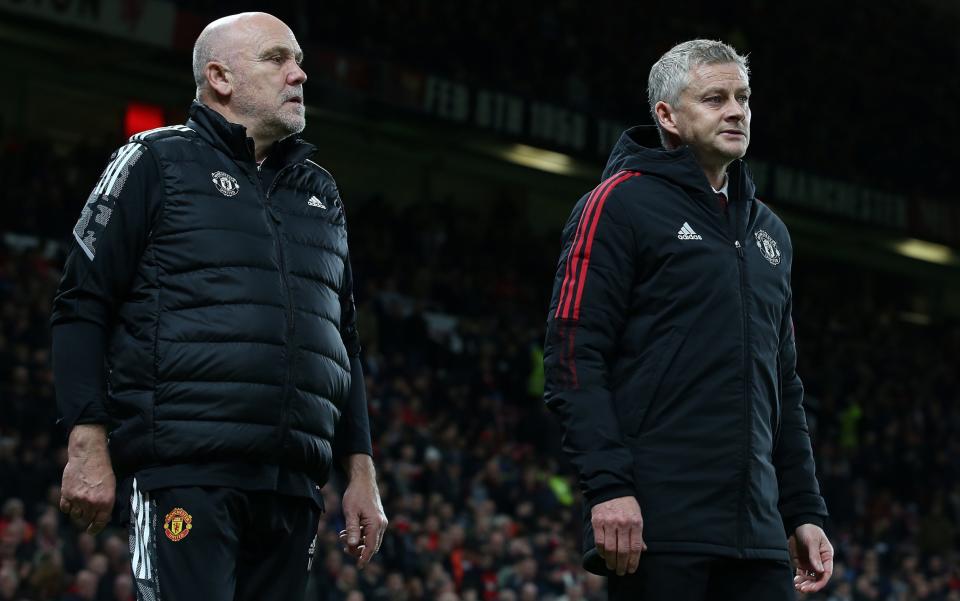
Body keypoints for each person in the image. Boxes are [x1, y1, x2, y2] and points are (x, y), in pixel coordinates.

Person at [50, 12, 387, 601]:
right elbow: (82, 305)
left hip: (291, 490)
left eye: (298, 60)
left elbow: (344, 342)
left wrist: (360, 471)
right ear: (220, 77)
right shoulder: (153, 162)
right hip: (186, 476)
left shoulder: (321, 192)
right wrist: (86, 443)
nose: (300, 74)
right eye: (277, 59)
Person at [543, 39, 833, 600]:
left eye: (743, 98)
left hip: (759, 534)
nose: (736, 111)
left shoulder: (771, 233)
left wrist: (802, 508)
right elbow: (573, 356)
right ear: (667, 116)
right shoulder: (617, 205)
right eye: (715, 98)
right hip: (657, 526)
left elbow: (785, 387)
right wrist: (609, 488)